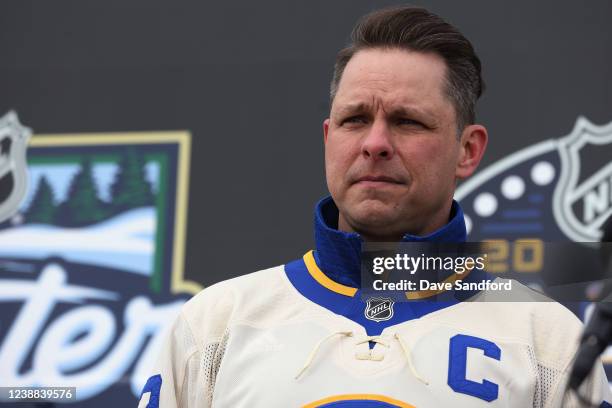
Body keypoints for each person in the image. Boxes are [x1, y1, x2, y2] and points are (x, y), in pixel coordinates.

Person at [138, 6, 611, 407]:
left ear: (468, 150)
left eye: (407, 121)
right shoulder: (217, 324)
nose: (375, 143)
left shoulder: (546, 339)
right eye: (355, 119)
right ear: (329, 138)